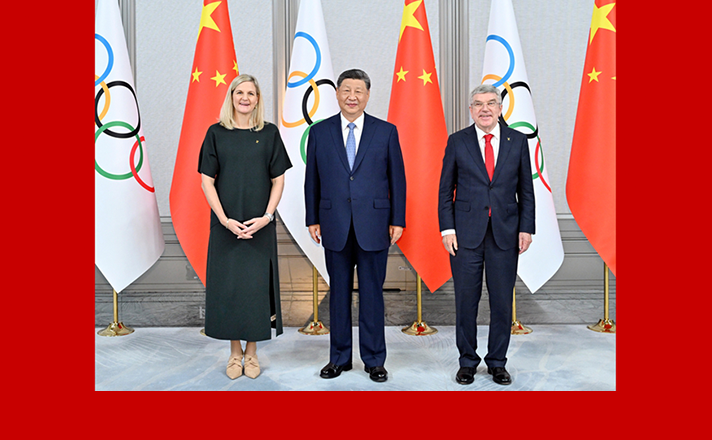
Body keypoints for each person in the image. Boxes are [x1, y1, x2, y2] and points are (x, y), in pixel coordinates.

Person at [304, 69, 406, 383]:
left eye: (358, 91)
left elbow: (397, 180)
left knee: (372, 294)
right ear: (336, 93)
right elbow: (312, 179)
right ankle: (339, 358)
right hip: (333, 223)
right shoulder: (320, 132)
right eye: (346, 90)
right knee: (338, 294)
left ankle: (374, 360)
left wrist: (397, 219)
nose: (352, 96)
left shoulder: (385, 131)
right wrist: (312, 218)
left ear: (367, 95)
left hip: (375, 224)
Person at [437, 84, 535, 386]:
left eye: (491, 103)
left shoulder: (518, 141)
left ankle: (497, 362)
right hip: (465, 236)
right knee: (466, 302)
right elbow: (445, 190)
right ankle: (467, 361)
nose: (485, 109)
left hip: (505, 234)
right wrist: (447, 229)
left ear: (500, 108)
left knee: (502, 302)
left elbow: (526, 191)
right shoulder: (457, 141)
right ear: (471, 110)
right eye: (478, 104)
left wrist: (526, 228)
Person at [198, 74, 292, 380]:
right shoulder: (216, 133)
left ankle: (252, 353)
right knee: (230, 289)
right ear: (231, 97)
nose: (245, 98)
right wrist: (225, 220)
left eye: (251, 93)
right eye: (240, 92)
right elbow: (206, 181)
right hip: (225, 226)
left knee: (255, 290)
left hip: (259, 226)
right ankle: (234, 353)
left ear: (257, 99)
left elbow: (278, 180)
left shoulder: (269, 133)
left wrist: (267, 216)